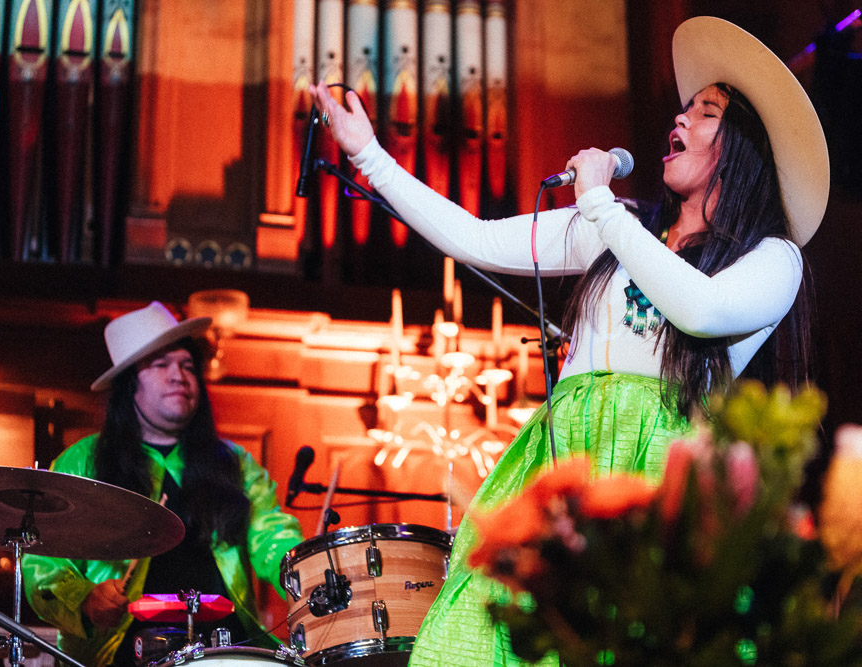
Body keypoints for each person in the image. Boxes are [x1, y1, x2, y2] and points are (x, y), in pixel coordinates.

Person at [310, 14, 829, 666]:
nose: (679, 120)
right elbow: (476, 236)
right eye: (682, 109)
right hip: (561, 455)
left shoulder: (773, 258)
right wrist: (369, 155)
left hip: (659, 466)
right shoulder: (619, 225)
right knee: (476, 631)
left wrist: (603, 209)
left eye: (704, 113)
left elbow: (702, 309)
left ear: (743, 144)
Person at [22, 301, 303, 666]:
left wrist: (305, 571)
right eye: (161, 364)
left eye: (187, 365)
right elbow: (43, 561)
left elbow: (272, 534)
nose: (179, 376)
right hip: (119, 651)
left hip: (225, 647)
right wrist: (85, 599)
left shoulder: (234, 462)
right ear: (129, 386)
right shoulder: (83, 461)